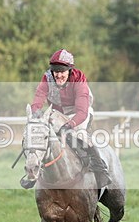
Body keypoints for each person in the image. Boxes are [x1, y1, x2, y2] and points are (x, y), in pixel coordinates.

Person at [27, 48, 111, 188]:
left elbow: (82, 112)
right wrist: (36, 113)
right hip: (57, 113)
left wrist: (69, 124)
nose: (58, 75)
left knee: (79, 135)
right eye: (56, 71)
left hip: (79, 113)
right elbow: (38, 98)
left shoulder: (79, 79)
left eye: (62, 72)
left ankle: (100, 169)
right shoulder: (47, 78)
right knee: (39, 133)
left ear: (70, 71)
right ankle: (33, 172)